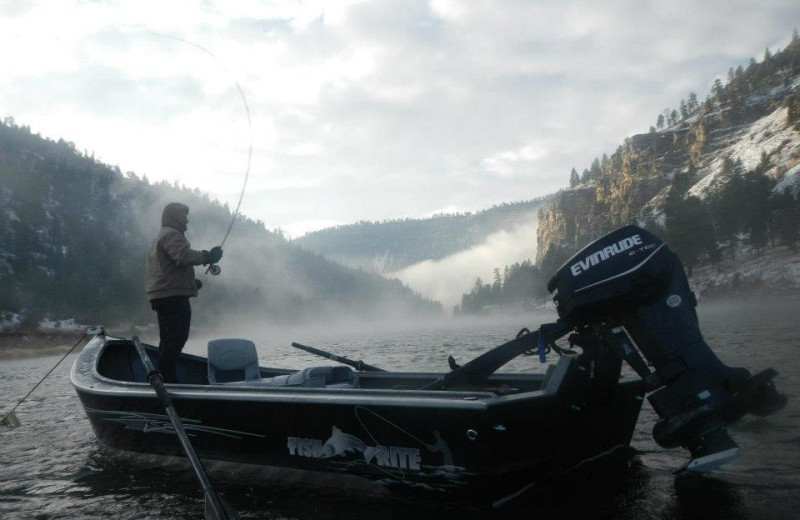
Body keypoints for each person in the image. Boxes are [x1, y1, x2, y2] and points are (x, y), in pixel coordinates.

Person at [145, 202, 222, 383]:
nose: (187, 220)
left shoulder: (160, 236)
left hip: (162, 295)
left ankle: (164, 375)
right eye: (184, 216)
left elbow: (166, 269)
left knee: (168, 338)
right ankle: (167, 378)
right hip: (171, 297)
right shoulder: (171, 234)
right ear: (175, 217)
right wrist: (208, 256)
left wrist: (190, 283)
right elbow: (183, 256)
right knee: (177, 336)